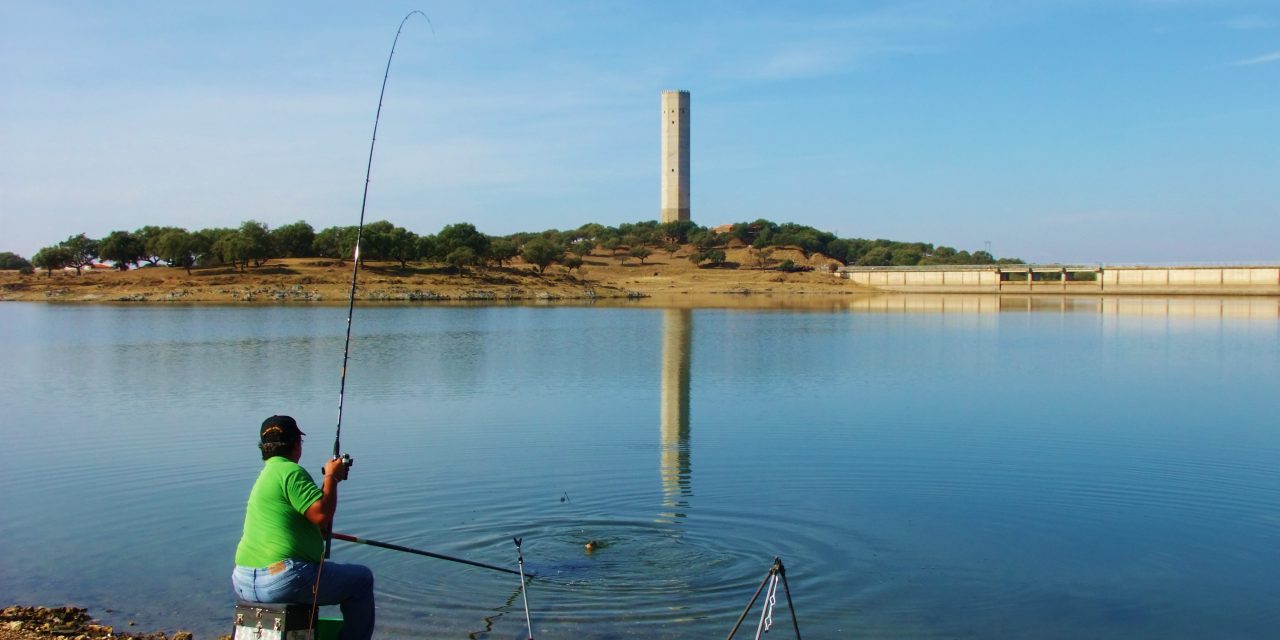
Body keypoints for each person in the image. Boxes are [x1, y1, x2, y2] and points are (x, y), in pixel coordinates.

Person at [231, 415, 374, 640]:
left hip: (244, 581)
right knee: (362, 580)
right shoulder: (290, 472)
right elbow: (321, 514)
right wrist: (331, 477)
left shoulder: (265, 476)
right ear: (296, 444)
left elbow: (295, 521)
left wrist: (314, 533)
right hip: (279, 580)